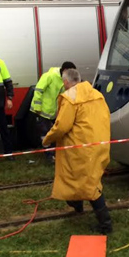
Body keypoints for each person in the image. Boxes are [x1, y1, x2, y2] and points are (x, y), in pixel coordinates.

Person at [42, 69, 113, 235]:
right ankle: (78, 205)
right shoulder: (96, 94)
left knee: (89, 185)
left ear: (66, 82)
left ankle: (106, 225)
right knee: (86, 179)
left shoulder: (70, 98)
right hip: (99, 145)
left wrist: (47, 139)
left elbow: (62, 126)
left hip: (81, 149)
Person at [30, 62, 76, 161]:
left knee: (55, 132)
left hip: (52, 112)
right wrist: (38, 107)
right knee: (45, 134)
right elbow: (38, 90)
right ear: (64, 71)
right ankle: (49, 156)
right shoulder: (49, 76)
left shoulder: (64, 79)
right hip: (42, 111)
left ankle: (55, 153)